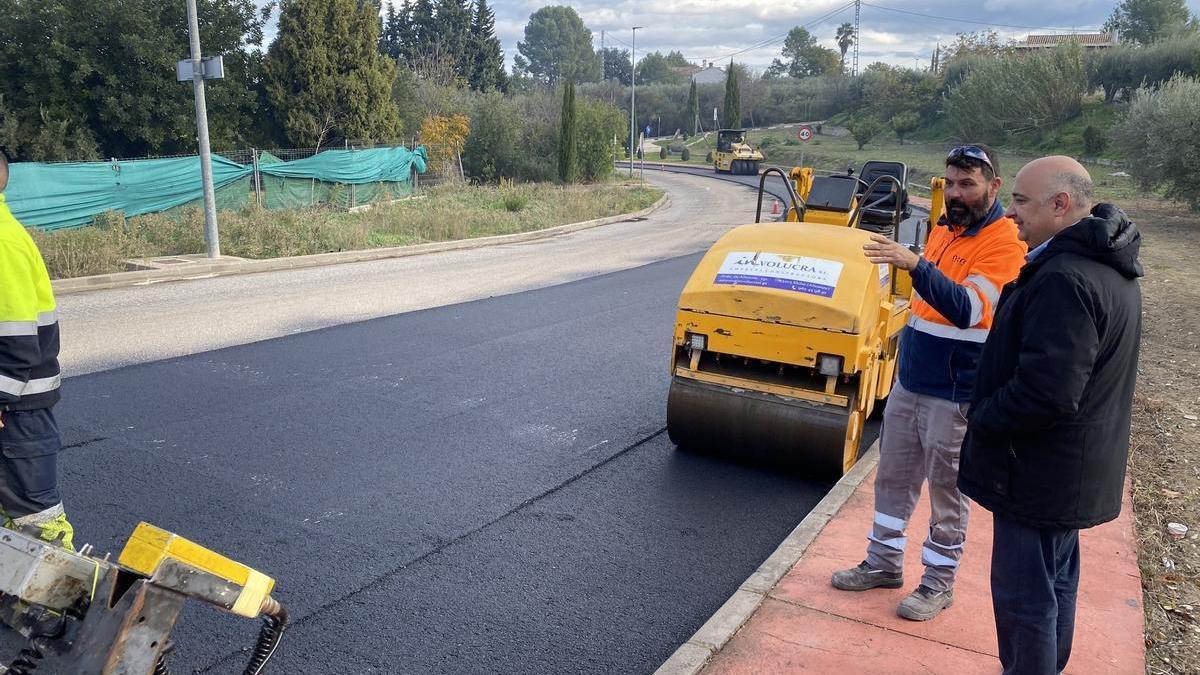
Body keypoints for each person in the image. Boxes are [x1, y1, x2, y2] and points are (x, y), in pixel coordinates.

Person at [958, 156, 1142, 674]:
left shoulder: (1064, 278)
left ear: (1061, 205)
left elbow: (1048, 391)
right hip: (1069, 472)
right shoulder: (1108, 265)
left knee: (1025, 601)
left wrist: (983, 415)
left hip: (1036, 473)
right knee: (1054, 587)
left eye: (1020, 200)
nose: (1010, 212)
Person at [830, 144, 1026, 621]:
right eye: (951, 183)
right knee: (893, 481)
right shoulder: (944, 229)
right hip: (912, 383)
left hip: (955, 396)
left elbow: (967, 310)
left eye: (968, 184)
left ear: (994, 186)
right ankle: (882, 564)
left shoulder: (1005, 243)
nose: (956, 194)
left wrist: (915, 264)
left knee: (947, 492)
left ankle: (938, 584)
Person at [0, 149, 74, 550]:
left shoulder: (2, 242)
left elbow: (15, 345)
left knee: (37, 530)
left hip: (17, 415)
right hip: (13, 411)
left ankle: (67, 608)